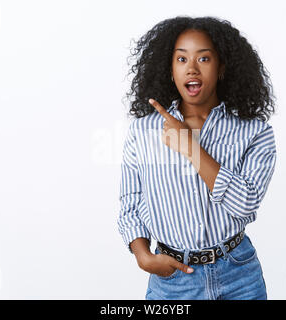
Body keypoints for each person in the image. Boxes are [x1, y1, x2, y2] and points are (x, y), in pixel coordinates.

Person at [117, 16, 277, 300]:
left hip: (238, 275)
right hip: (173, 280)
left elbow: (244, 204)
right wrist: (143, 256)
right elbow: (130, 203)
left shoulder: (255, 132)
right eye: (181, 59)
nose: (191, 68)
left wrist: (190, 147)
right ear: (169, 69)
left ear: (222, 67)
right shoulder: (143, 131)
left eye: (203, 59)